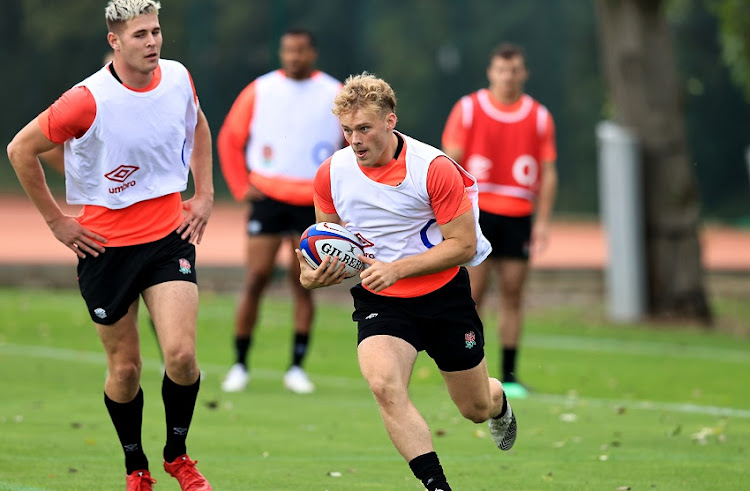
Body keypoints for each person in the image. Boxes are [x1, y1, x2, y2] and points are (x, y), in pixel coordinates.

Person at [6, 1, 213, 490]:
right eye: (140, 34)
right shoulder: (85, 99)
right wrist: (58, 222)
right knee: (125, 369)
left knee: (181, 357)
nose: (152, 42)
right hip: (104, 249)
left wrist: (203, 193)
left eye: (156, 31)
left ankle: (178, 457)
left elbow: (198, 123)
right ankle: (135, 466)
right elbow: (20, 149)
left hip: (168, 237)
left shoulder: (179, 77)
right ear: (114, 42)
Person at [295, 72, 517, 491]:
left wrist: (398, 267)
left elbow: (464, 246)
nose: (355, 140)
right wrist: (314, 275)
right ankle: (437, 486)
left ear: (390, 121)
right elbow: (324, 243)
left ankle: (498, 399)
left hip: (444, 296)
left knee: (474, 407)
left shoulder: (432, 169)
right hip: (382, 300)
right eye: (347, 130)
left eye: (364, 128)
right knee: (383, 384)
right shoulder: (331, 173)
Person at [217, 28, 343, 394]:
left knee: (302, 283)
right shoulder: (261, 89)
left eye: (300, 51)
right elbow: (229, 138)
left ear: (313, 54)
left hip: (311, 201)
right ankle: (240, 364)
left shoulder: (333, 93)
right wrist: (241, 185)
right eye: (287, 50)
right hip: (268, 197)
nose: (293, 57)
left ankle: (296, 367)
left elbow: (352, 142)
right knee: (256, 277)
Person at [442, 43, 558, 399]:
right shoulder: (468, 108)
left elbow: (548, 173)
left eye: (515, 70)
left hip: (518, 214)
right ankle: (472, 370)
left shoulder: (539, 116)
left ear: (524, 73)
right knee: (473, 294)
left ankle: (509, 375)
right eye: (501, 70)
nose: (508, 76)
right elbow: (449, 163)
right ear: (491, 72)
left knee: (512, 292)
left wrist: (542, 221)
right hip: (477, 214)